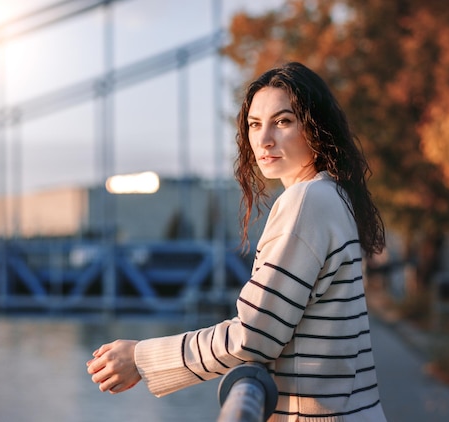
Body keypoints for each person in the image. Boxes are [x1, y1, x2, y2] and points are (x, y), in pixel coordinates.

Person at [87, 61, 387, 421]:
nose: (263, 140)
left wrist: (141, 357)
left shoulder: (306, 202)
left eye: (283, 121)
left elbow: (255, 335)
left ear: (315, 128)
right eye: (255, 125)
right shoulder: (333, 197)